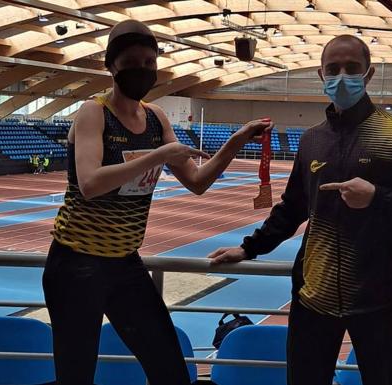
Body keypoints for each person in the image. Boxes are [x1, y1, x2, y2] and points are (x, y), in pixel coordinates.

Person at [43, 19, 273, 385]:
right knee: (76, 373)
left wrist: (238, 139)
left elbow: (197, 181)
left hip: (124, 263)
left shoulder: (155, 117)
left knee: (169, 368)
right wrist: (158, 154)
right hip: (76, 264)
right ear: (112, 66)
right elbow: (89, 183)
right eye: (133, 62)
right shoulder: (93, 112)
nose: (144, 70)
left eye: (150, 62)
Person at [208, 35, 392, 385]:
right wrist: (249, 247)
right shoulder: (311, 140)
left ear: (368, 74)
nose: (341, 76)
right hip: (313, 294)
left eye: (352, 68)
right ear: (321, 75)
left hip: (377, 297)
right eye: (333, 69)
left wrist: (377, 198)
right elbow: (293, 208)